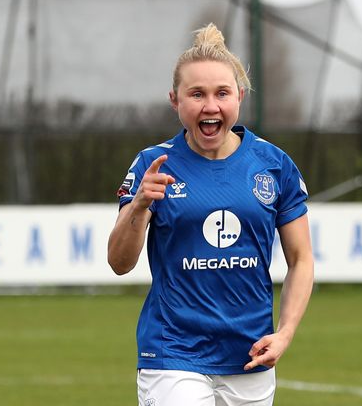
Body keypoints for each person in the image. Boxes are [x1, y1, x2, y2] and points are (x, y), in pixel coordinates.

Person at [107, 23, 314, 406]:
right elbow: (119, 263)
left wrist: (284, 334)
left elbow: (301, 260)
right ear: (175, 100)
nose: (210, 106)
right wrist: (139, 206)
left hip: (250, 354)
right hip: (172, 351)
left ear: (240, 96)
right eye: (196, 94)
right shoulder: (153, 164)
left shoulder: (274, 165)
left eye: (222, 93)